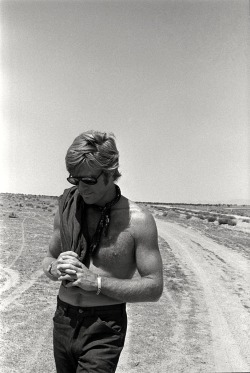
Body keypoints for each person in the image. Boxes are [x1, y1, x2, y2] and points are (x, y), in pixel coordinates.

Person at [42, 130, 163, 373]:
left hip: (104, 326)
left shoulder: (138, 221)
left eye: (88, 181)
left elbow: (154, 287)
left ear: (110, 173)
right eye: (74, 180)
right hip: (64, 319)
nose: (80, 188)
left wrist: (96, 282)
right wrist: (55, 267)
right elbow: (48, 259)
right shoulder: (68, 209)